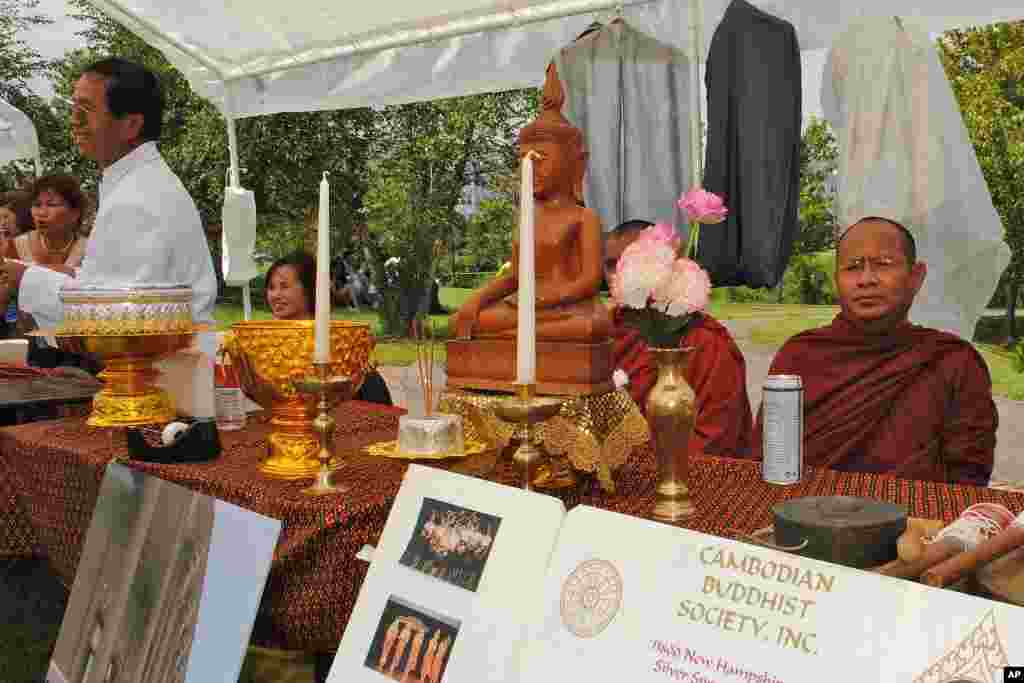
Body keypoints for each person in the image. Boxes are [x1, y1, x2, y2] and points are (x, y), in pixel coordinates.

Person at [747, 217, 997, 485]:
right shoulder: (799, 356)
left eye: (884, 264)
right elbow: (767, 464)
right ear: (837, 280)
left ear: (916, 277)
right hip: (805, 515)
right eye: (852, 268)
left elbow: (968, 482)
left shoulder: (953, 362)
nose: (866, 279)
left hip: (916, 522)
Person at [0, 58, 217, 347]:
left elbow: (115, 316)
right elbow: (115, 292)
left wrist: (24, 278)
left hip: (164, 376)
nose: (74, 120)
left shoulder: (138, 196)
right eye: (73, 107)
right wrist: (71, 276)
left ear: (131, 124)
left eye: (86, 109)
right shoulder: (137, 182)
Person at [449, 89, 610, 342]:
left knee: (589, 327)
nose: (530, 168)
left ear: (573, 163)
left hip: (567, 308)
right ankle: (519, 338)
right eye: (524, 159)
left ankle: (518, 339)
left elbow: (590, 280)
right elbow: (515, 275)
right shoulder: (527, 217)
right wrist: (476, 301)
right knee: (461, 321)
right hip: (524, 308)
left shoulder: (583, 218)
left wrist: (547, 299)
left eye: (540, 159)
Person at [606, 219, 753, 457]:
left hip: (684, 475)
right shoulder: (605, 330)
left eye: (626, 264)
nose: (616, 275)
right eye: (610, 265)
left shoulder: (704, 341)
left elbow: (716, 435)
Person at [264, 251, 392, 406]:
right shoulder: (266, 345)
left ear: (309, 289)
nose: (275, 295)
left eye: (284, 286)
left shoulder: (339, 344)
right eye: (271, 287)